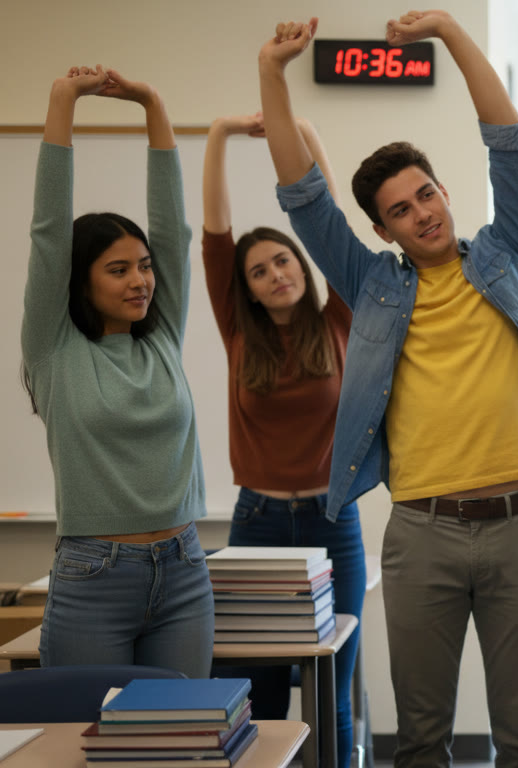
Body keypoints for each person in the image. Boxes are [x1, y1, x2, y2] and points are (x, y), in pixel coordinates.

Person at [257, 13, 518, 767]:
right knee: (420, 743)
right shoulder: (371, 284)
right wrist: (272, 73)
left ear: (442, 190)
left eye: (426, 193)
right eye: (400, 210)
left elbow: (511, 145)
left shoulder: (508, 255)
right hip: (422, 533)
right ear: (384, 231)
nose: (422, 214)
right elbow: (304, 198)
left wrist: (448, 30)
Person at [23, 66, 212, 677]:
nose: (141, 281)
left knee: (184, 728)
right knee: (86, 728)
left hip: (184, 569)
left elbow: (173, 228)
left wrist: (152, 103)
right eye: (118, 269)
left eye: (144, 266)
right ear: (80, 281)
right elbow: (49, 232)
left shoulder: (162, 336)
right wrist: (64, 99)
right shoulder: (54, 348)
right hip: (93, 577)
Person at [201, 112, 365, 768]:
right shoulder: (239, 333)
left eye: (283, 260)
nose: (275, 274)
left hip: (334, 522)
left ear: (303, 263)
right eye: (259, 271)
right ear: (245, 288)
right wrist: (219, 135)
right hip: (258, 524)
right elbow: (216, 237)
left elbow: (334, 224)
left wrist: (305, 132)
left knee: (332, 694)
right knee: (260, 695)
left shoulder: (339, 319)